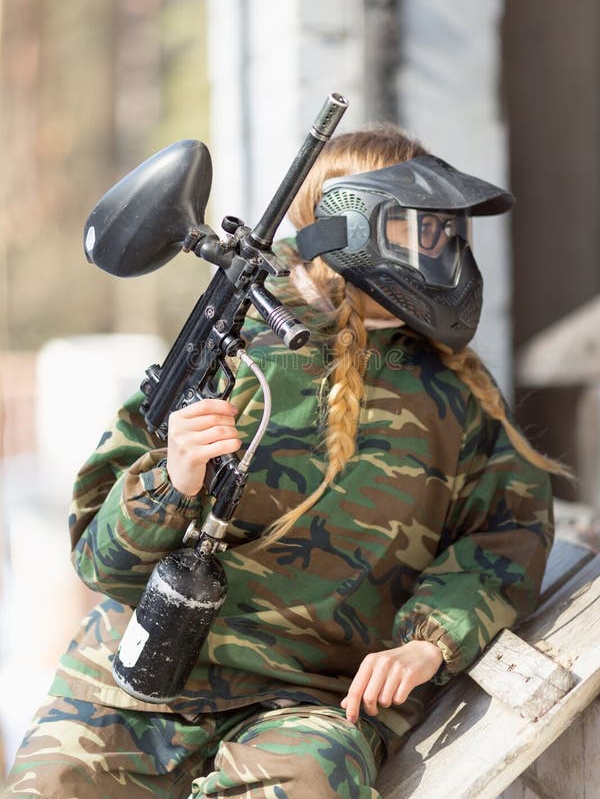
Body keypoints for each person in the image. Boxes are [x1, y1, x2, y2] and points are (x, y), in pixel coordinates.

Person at [5, 126, 567, 798]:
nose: (448, 252)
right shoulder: (231, 346)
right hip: (135, 685)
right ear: (361, 226)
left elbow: (506, 536)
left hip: (303, 704)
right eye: (427, 230)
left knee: (308, 783)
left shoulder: (457, 396)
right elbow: (101, 561)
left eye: (451, 233)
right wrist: (175, 478)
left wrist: (430, 642)